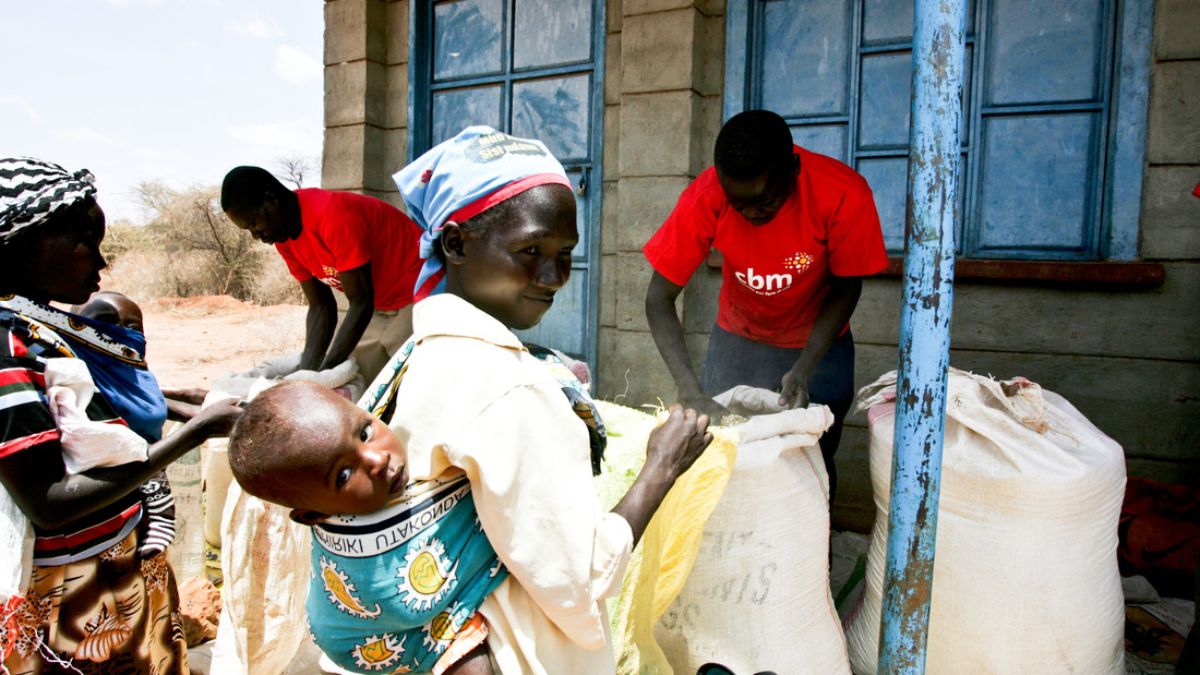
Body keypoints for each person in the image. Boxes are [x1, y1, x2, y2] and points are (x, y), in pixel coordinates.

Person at [388, 126, 713, 674]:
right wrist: (662, 467)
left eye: (565, 253)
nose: (554, 276)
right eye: (530, 250)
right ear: (456, 244)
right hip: (513, 650)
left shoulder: (423, 352)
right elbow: (578, 576)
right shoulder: (510, 387)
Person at [0, 157, 242, 673]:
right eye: (84, 239)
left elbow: (102, 406)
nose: (100, 259)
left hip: (117, 558)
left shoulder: (40, 325)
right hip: (70, 594)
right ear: (22, 242)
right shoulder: (8, 344)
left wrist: (183, 407)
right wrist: (195, 432)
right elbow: (48, 502)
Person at [643, 109, 887, 498]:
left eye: (764, 203)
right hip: (739, 336)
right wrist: (688, 388)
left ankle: (812, 553)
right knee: (723, 459)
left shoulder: (842, 193)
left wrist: (804, 368)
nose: (750, 214)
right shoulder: (707, 196)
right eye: (737, 204)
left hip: (821, 343)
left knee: (812, 464)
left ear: (792, 169)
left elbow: (846, 286)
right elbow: (658, 299)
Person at [227, 380, 499, 675]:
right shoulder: (376, 575)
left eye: (365, 432)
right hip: (386, 639)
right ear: (315, 515)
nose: (377, 459)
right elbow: (409, 599)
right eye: (344, 474)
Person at [220, 166, 424, 383]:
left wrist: (323, 377)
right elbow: (321, 307)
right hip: (381, 303)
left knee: (408, 379)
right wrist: (306, 377)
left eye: (254, 223)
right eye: (248, 230)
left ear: (272, 201)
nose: (255, 236)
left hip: (420, 290)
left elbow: (361, 300)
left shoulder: (332, 214)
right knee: (358, 377)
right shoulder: (285, 239)